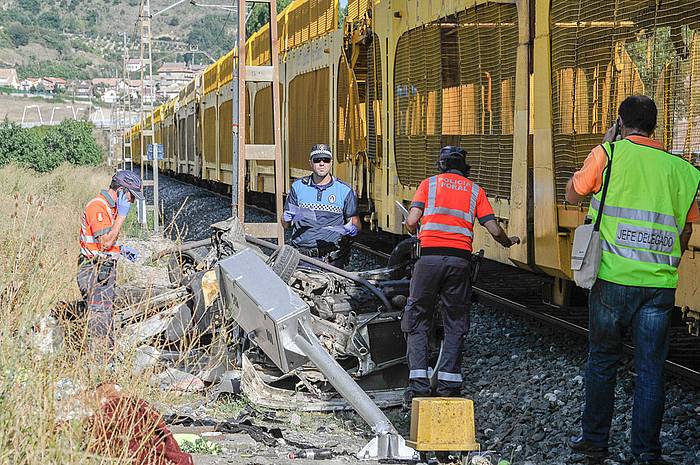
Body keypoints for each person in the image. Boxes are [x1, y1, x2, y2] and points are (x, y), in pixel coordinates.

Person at [565, 95, 700, 465]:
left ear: (621, 123)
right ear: (655, 126)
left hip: (611, 280)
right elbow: (686, 229)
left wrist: (608, 142)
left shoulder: (607, 154)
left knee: (603, 361)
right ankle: (645, 452)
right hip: (658, 286)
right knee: (651, 370)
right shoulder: (682, 170)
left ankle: (594, 442)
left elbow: (572, 193)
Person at [402, 146, 520, 404]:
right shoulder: (475, 190)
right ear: (464, 167)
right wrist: (507, 242)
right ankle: (448, 384)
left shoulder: (428, 185)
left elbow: (411, 222)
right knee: (455, 320)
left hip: (429, 260)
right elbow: (492, 227)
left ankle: (418, 385)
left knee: (418, 316)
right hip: (459, 263)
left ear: (442, 165)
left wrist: (414, 230)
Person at [77, 170, 144, 353]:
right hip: (94, 271)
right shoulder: (97, 207)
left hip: (101, 270)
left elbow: (103, 244)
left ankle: (105, 358)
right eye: (131, 197)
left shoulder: (108, 208)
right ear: (122, 191)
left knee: (105, 317)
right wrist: (121, 216)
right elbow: (105, 241)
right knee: (100, 321)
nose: (132, 202)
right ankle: (100, 363)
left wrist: (120, 250)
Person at [281, 144, 361, 269]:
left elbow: (355, 222)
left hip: (332, 259)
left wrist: (353, 229)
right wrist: (286, 219)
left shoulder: (344, 190)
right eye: (317, 160)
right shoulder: (297, 187)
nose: (322, 163)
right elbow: (285, 225)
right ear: (310, 163)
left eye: (326, 160)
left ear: (331, 163)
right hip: (302, 258)